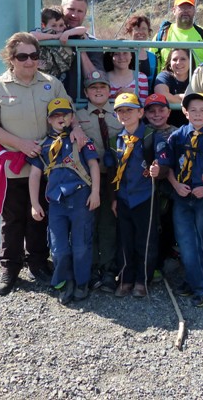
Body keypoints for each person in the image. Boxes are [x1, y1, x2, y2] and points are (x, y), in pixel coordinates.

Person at [0, 31, 85, 296]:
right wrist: (21, 144)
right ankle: (10, 268)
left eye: (34, 56)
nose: (29, 61)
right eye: (22, 56)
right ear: (11, 59)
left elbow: (69, 114)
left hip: (48, 165)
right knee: (12, 218)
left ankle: (37, 261)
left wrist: (78, 129)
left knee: (40, 216)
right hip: (13, 165)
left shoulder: (51, 84)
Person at [158, 92, 203, 308]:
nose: (198, 114)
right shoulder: (177, 136)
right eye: (193, 110)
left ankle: (195, 283)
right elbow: (168, 166)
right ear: (185, 112)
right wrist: (176, 185)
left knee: (197, 241)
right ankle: (201, 285)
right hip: (181, 197)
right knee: (187, 242)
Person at [27, 97, 100, 305]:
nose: (61, 119)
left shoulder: (81, 140)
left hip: (81, 200)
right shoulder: (43, 146)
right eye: (55, 115)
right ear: (49, 120)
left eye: (65, 114)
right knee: (58, 247)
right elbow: (34, 175)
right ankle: (64, 281)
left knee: (81, 245)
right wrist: (35, 203)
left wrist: (95, 193)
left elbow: (94, 166)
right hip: (56, 203)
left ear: (72, 117)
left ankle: (81, 282)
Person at [106, 93, 169, 298]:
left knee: (146, 240)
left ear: (141, 112)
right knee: (125, 239)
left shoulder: (152, 136)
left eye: (130, 110)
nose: (125, 114)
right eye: (120, 111)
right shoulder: (115, 140)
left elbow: (164, 160)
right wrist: (114, 199)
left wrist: (159, 169)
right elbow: (111, 171)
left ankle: (142, 280)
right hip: (124, 197)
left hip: (145, 196)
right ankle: (126, 279)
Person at [75, 69, 121, 293]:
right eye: (93, 88)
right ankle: (91, 269)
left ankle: (109, 270)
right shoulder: (78, 116)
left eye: (102, 87)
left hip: (112, 178)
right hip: (86, 179)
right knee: (88, 223)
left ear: (109, 91)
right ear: (86, 92)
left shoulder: (119, 114)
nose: (98, 91)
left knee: (108, 224)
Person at [142, 93, 179, 278]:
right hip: (147, 187)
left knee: (168, 223)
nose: (157, 114)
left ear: (168, 111)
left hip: (171, 186)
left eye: (161, 110)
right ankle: (152, 263)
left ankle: (167, 257)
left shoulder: (177, 132)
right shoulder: (141, 131)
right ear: (145, 113)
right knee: (150, 224)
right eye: (152, 111)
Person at [60, 0, 105, 102]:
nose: (74, 15)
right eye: (71, 9)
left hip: (81, 106)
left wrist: (82, 49)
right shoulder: (48, 38)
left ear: (85, 14)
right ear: (61, 9)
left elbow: (95, 78)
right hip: (52, 106)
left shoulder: (93, 44)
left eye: (80, 11)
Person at [155, 0, 203, 68]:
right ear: (174, 11)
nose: (185, 11)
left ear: (194, 10)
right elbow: (152, 64)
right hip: (168, 79)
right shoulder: (162, 34)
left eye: (189, 7)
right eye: (182, 7)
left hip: (199, 79)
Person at [33, 6, 87, 81]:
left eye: (61, 25)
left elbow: (83, 29)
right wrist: (53, 36)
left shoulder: (65, 32)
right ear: (43, 25)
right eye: (54, 25)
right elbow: (31, 35)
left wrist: (67, 33)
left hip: (59, 77)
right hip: (41, 75)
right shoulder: (41, 32)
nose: (58, 29)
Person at [153, 48, 191, 127]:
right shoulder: (164, 76)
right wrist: (186, 100)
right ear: (169, 62)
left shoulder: (196, 76)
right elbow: (161, 95)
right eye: (174, 59)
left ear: (190, 61)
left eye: (183, 59)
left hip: (191, 125)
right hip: (166, 126)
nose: (178, 62)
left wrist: (173, 98)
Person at [125, 14, 158, 89]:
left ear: (148, 32)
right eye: (136, 29)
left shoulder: (153, 58)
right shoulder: (122, 55)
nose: (140, 32)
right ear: (130, 32)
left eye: (144, 29)